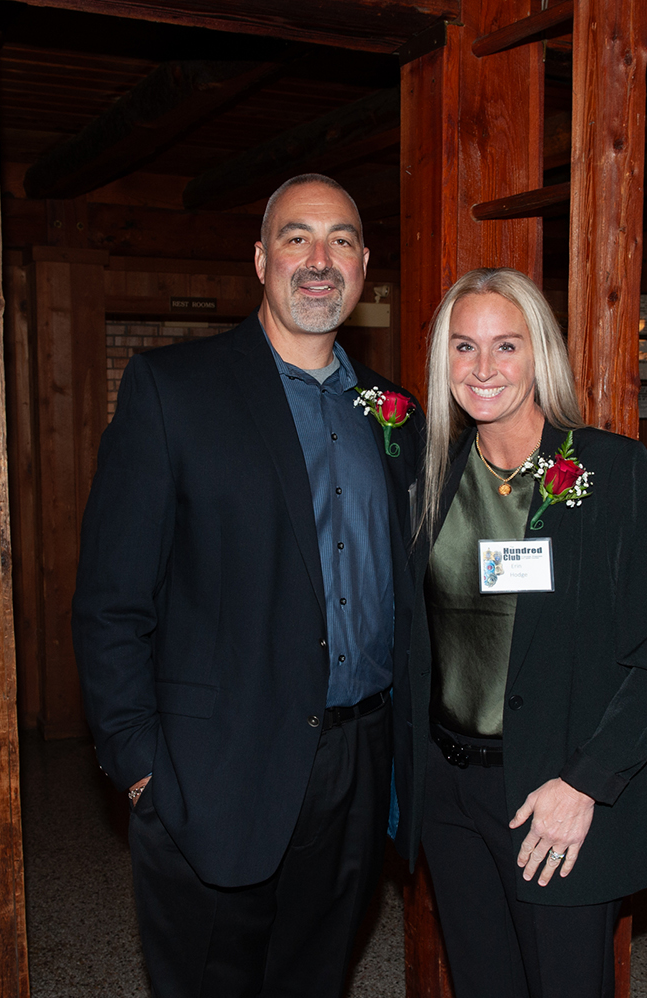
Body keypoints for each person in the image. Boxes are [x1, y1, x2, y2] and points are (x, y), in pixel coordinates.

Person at [72, 174, 423, 998]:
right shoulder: (173, 389)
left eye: (341, 241)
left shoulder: (393, 412)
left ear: (364, 266)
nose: (319, 259)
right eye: (297, 238)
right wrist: (140, 766)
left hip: (357, 764)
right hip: (215, 768)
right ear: (261, 260)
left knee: (316, 978)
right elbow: (111, 599)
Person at [390, 268, 647, 998]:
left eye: (506, 345)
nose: (483, 368)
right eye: (464, 346)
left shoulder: (607, 471)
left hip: (554, 795)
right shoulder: (428, 476)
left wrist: (586, 783)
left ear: (540, 354)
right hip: (449, 796)